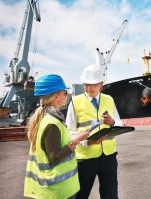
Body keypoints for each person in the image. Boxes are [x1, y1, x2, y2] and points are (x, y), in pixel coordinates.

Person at [24, 74, 89, 199]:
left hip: (53, 188)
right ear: (55, 96)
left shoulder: (45, 118)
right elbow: (54, 157)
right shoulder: (52, 124)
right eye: (65, 92)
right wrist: (76, 141)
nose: (67, 95)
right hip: (58, 190)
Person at [66, 64, 122, 199]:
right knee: (80, 195)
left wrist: (112, 122)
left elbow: (119, 122)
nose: (89, 88)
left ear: (101, 84)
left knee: (111, 195)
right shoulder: (75, 102)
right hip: (86, 158)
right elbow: (69, 132)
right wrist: (89, 142)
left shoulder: (109, 99)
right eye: (86, 84)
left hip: (109, 156)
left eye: (93, 85)